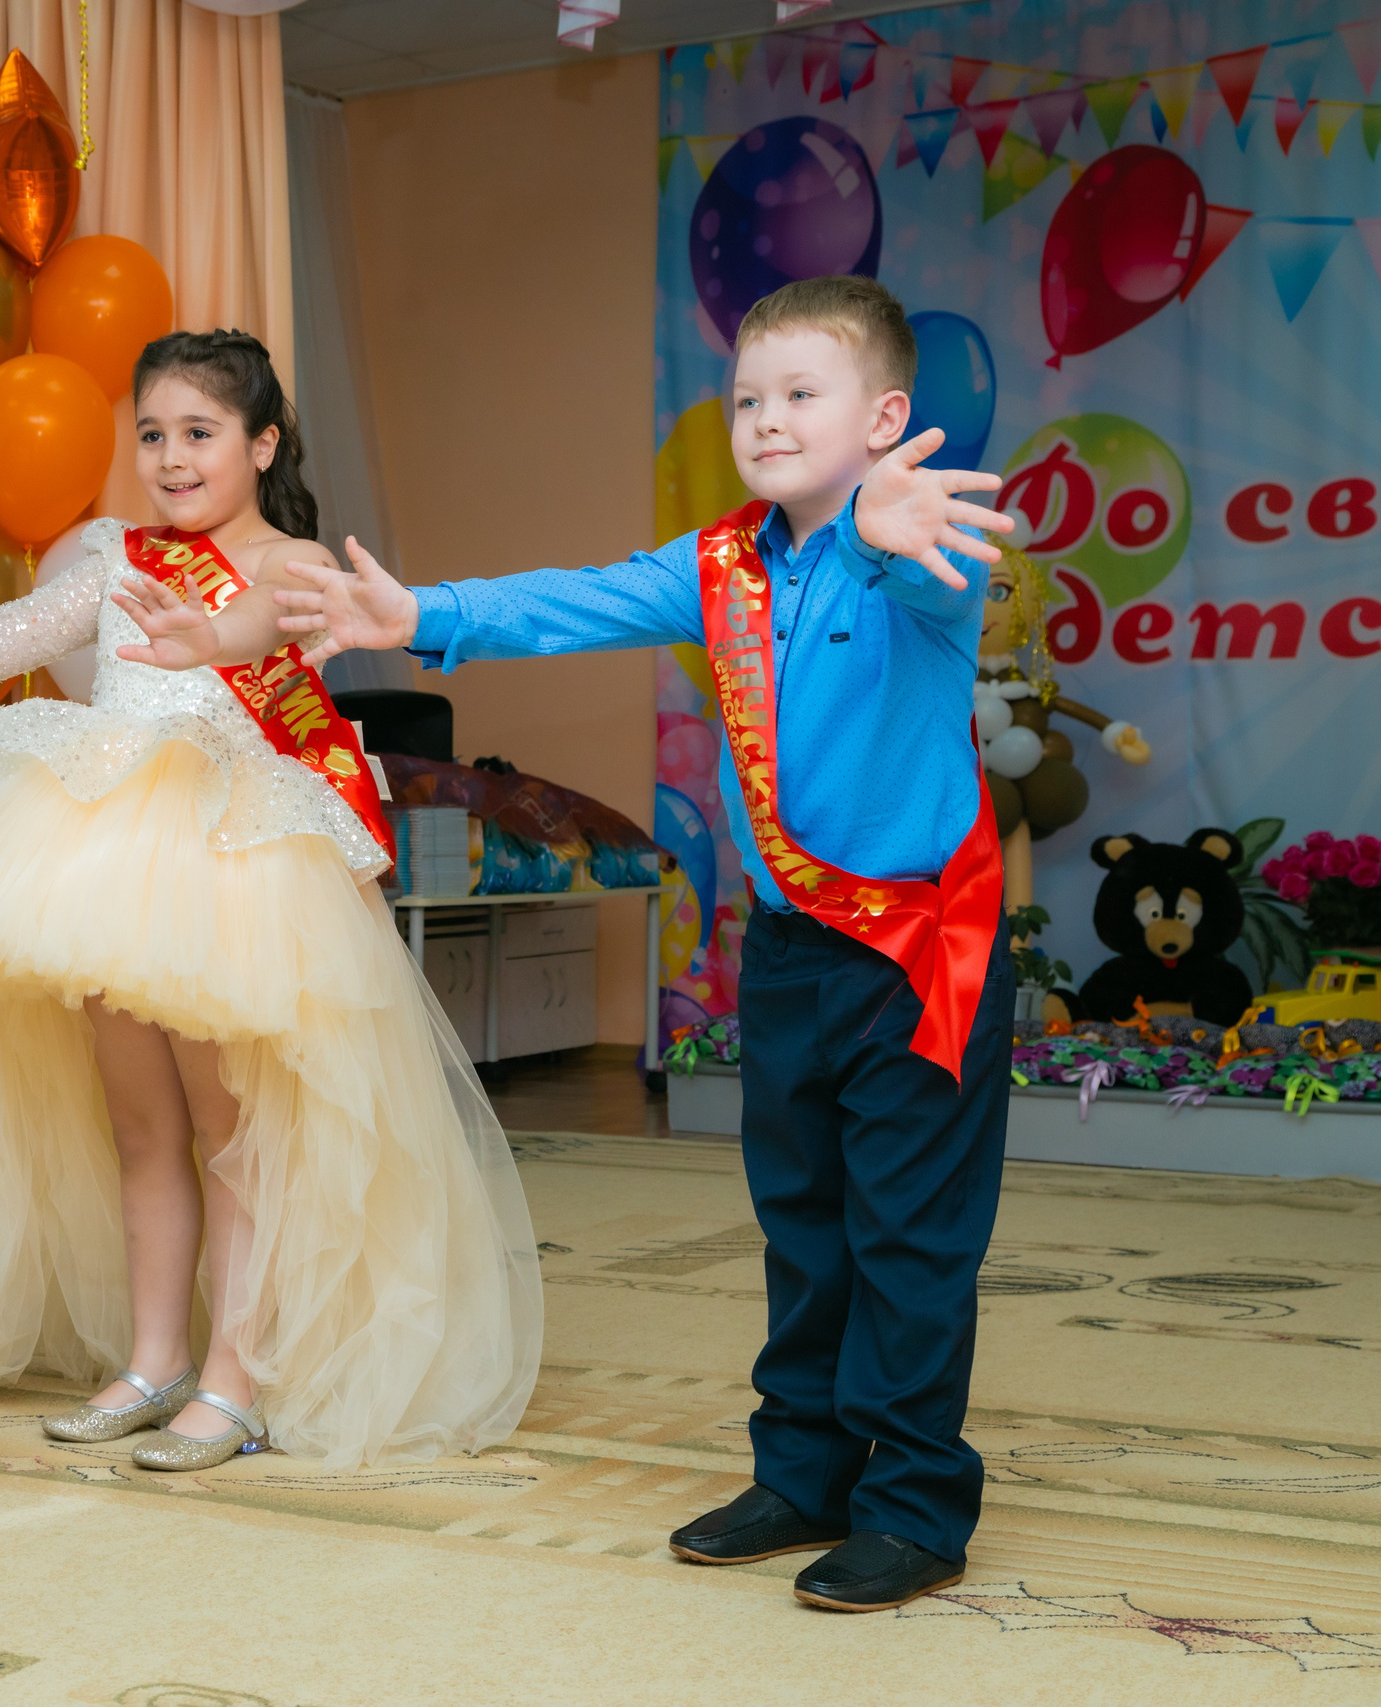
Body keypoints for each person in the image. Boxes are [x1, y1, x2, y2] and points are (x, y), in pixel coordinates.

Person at [242, 275, 1019, 1609]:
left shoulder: (925, 549)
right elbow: (571, 601)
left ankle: (916, 1499)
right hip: (789, 953)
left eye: (801, 395)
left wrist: (885, 530)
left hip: (920, 955)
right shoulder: (717, 566)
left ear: (886, 416)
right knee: (803, 1224)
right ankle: (805, 1469)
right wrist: (417, 618)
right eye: (747, 397)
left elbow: (934, 592)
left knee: (911, 1233)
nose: (766, 419)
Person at [0, 330, 541, 1474]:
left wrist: (212, 638)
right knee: (137, 1126)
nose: (171, 457)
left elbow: (249, 634)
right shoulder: (111, 552)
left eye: (199, 433)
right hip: (105, 862)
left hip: (231, 871)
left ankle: (236, 1380)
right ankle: (155, 1361)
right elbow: (11, 631)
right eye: (151, 434)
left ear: (262, 444)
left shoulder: (296, 565)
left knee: (230, 1133)